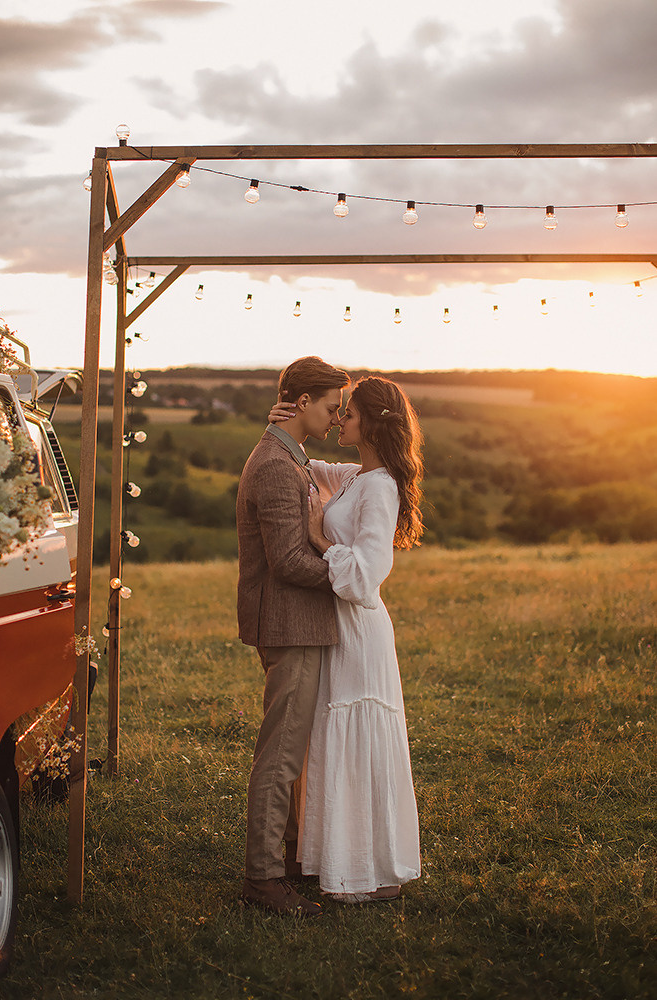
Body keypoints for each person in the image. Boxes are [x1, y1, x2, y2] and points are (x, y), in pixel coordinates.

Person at [269, 375, 423, 903]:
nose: (340, 419)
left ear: (373, 422)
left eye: (348, 413)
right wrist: (285, 422)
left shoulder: (380, 488)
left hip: (359, 630)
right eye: (339, 411)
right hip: (337, 629)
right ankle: (340, 861)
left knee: (357, 743)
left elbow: (365, 577)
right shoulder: (357, 475)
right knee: (336, 740)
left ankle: (367, 872)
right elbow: (301, 466)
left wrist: (317, 540)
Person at [236, 356, 350, 916]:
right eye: (331, 407)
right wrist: (348, 573)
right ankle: (263, 877)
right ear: (301, 403)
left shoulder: (290, 454)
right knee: (281, 754)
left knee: (294, 750)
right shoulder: (278, 465)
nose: (336, 418)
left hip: (295, 621)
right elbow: (285, 561)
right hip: (289, 622)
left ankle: (285, 858)